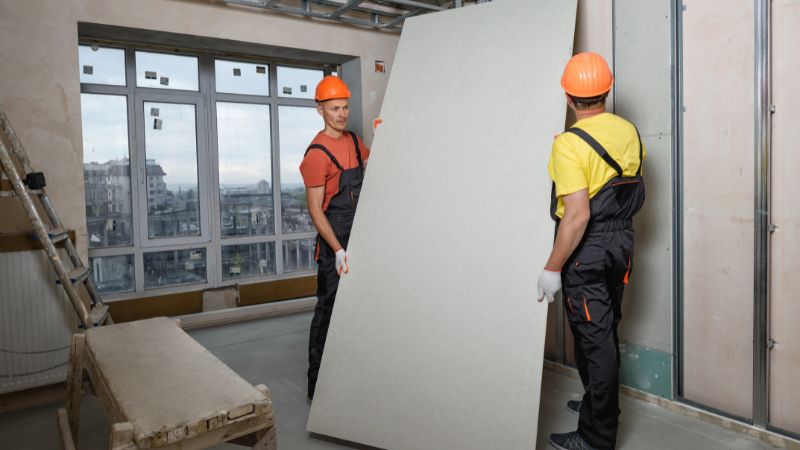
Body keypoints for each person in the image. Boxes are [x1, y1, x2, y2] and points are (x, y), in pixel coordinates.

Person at [537, 52, 646, 450]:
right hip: (622, 245)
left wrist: (552, 266)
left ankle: (597, 438)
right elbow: (619, 176)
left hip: (588, 249)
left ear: (568, 96)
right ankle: (596, 405)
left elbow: (578, 216)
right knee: (602, 333)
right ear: (607, 89)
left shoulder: (569, 145)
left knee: (593, 342)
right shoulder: (629, 130)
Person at [300, 75, 370, 402]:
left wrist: (386, 137)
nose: (342, 114)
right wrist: (338, 249)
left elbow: (378, 167)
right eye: (334, 109)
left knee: (359, 310)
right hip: (335, 247)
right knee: (327, 312)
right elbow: (315, 210)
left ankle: (352, 377)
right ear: (320, 110)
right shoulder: (316, 153)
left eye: (345, 107)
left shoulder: (355, 142)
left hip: (361, 237)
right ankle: (318, 387)